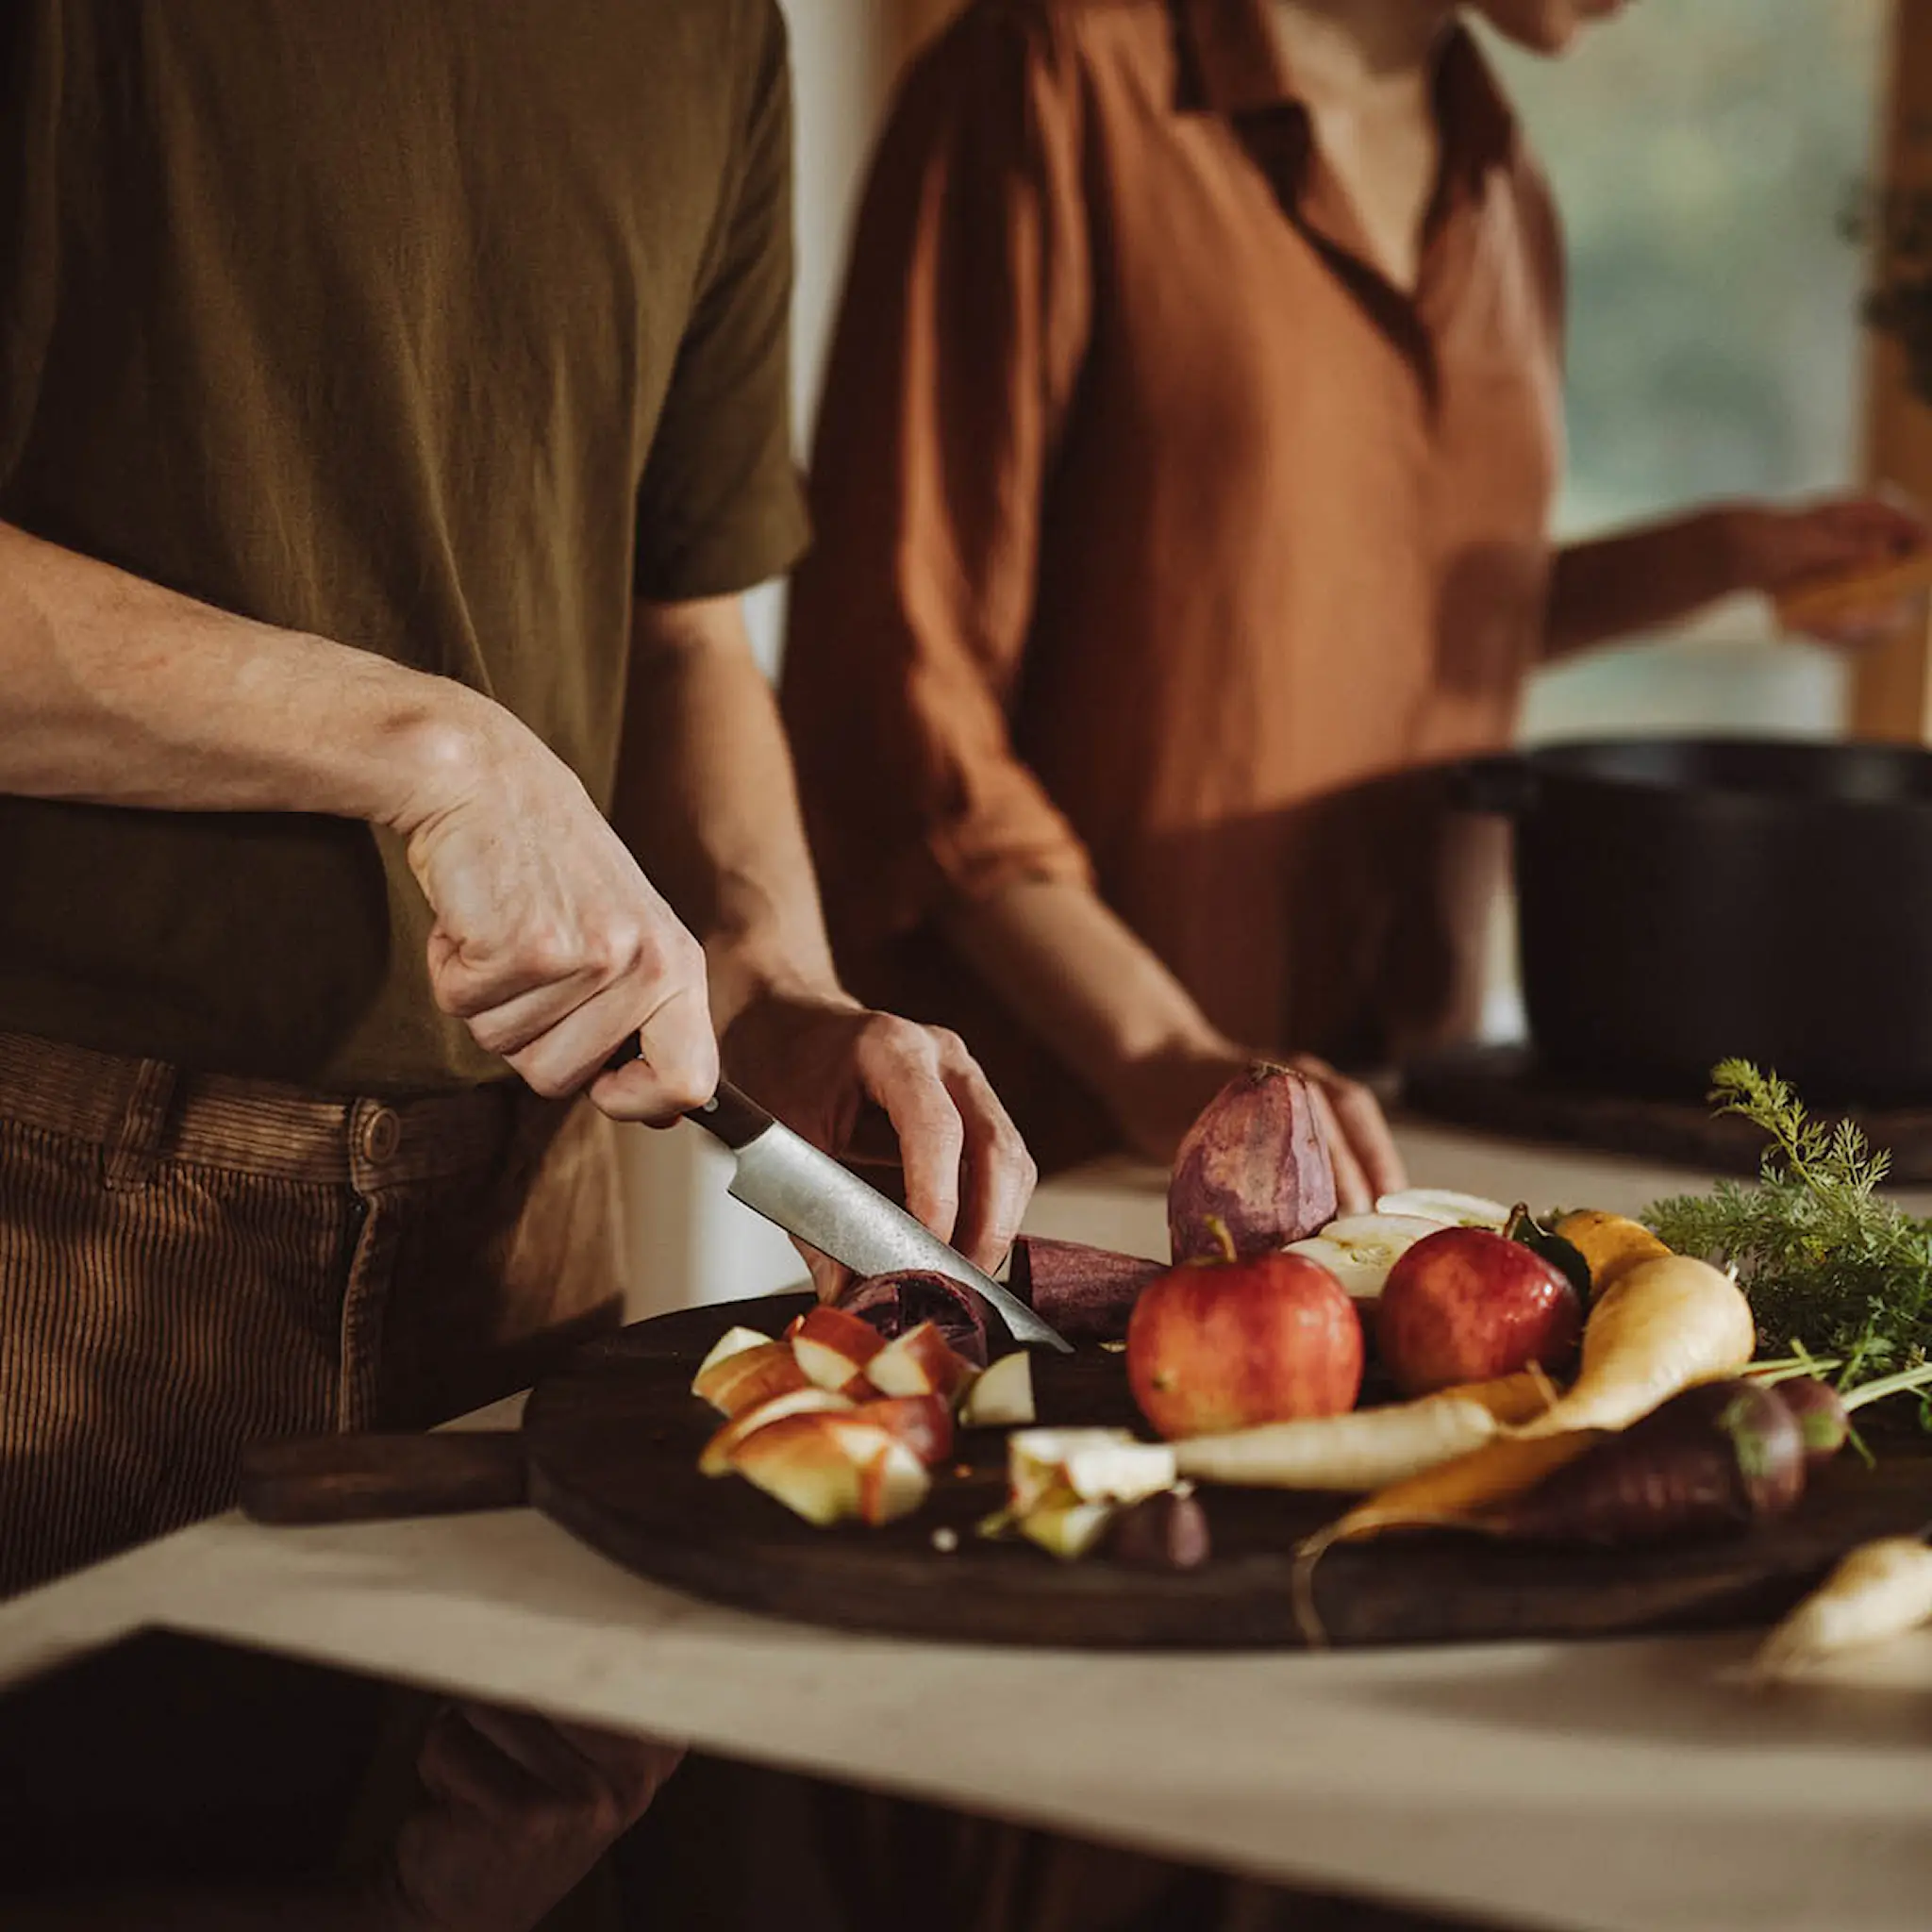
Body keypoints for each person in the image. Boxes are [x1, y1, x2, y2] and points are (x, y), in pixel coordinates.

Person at [0, 2, 1032, 1925]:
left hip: (532, 1248)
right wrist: (431, 745)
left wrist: (779, 984)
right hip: (66, 1242)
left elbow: (689, 634)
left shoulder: (713, 34)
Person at [780, 0, 1927, 1214]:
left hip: (1391, 1130)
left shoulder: (1503, 190)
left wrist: (1725, 555)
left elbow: (1370, 617)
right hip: (1061, 1156)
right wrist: (1158, 1056)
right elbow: (902, 690)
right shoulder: (1050, 82)